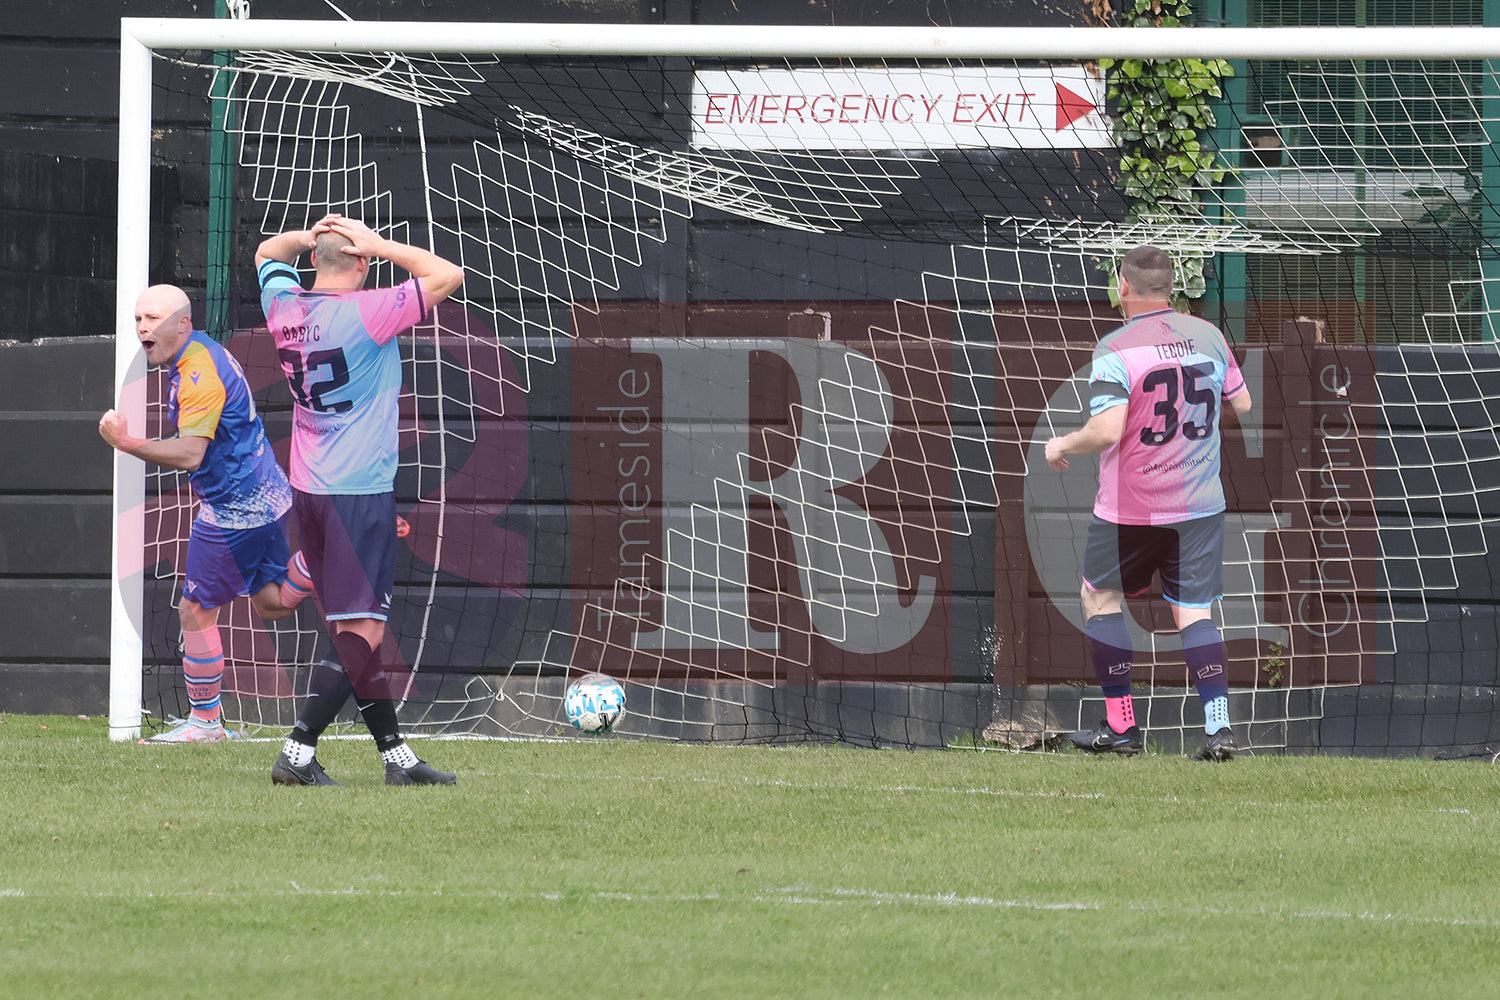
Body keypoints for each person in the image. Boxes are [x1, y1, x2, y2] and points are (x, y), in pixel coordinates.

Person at [256, 213, 464, 786]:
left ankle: (397, 759)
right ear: (363, 263)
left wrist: (310, 237)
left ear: (314, 261)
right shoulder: (369, 311)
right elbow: (448, 273)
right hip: (356, 492)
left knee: (352, 628)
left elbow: (265, 253)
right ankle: (297, 752)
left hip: (310, 488)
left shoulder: (284, 306)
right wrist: (382, 243)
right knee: (362, 632)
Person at [1044, 246, 1253, 761]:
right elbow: (1242, 403)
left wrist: (1063, 444)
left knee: (1100, 599)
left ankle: (1121, 729)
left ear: (1125, 288)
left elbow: (1108, 429)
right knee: (1195, 613)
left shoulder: (1114, 347)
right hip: (1200, 505)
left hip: (1131, 510)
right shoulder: (1209, 336)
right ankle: (1219, 730)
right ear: (1171, 289)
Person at [99, 285, 317, 744]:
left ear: (183, 323)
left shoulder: (198, 371)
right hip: (268, 493)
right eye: (138, 318)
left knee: (195, 611)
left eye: (153, 318)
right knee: (271, 603)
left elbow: (192, 455)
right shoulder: (201, 352)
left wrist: (127, 444)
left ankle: (205, 725)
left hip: (236, 507)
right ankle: (323, 556)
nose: (142, 328)